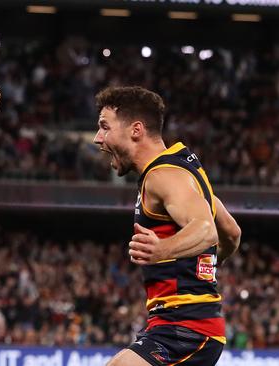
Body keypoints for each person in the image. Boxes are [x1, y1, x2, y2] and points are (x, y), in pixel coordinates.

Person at [92, 86, 242, 366]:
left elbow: (206, 230)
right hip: (179, 325)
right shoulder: (183, 171)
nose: (98, 138)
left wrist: (164, 249)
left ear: (136, 130)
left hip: (187, 328)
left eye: (104, 127)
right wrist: (206, 265)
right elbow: (231, 232)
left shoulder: (162, 176)